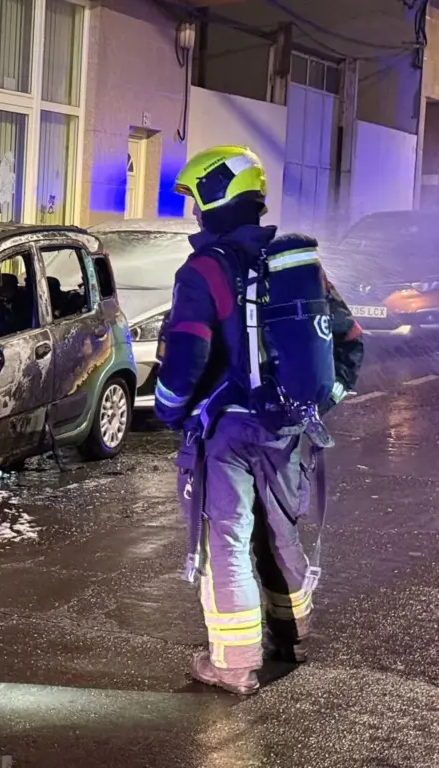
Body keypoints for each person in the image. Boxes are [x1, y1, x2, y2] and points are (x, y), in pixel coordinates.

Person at [154, 145, 363, 695]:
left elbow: (187, 354)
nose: (194, 212)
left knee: (226, 541)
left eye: (197, 200)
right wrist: (319, 401)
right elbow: (349, 338)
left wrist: (168, 410)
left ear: (215, 198)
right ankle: (292, 635)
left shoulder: (204, 270)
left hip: (227, 432)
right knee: (280, 531)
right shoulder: (295, 265)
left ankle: (233, 664)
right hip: (288, 428)